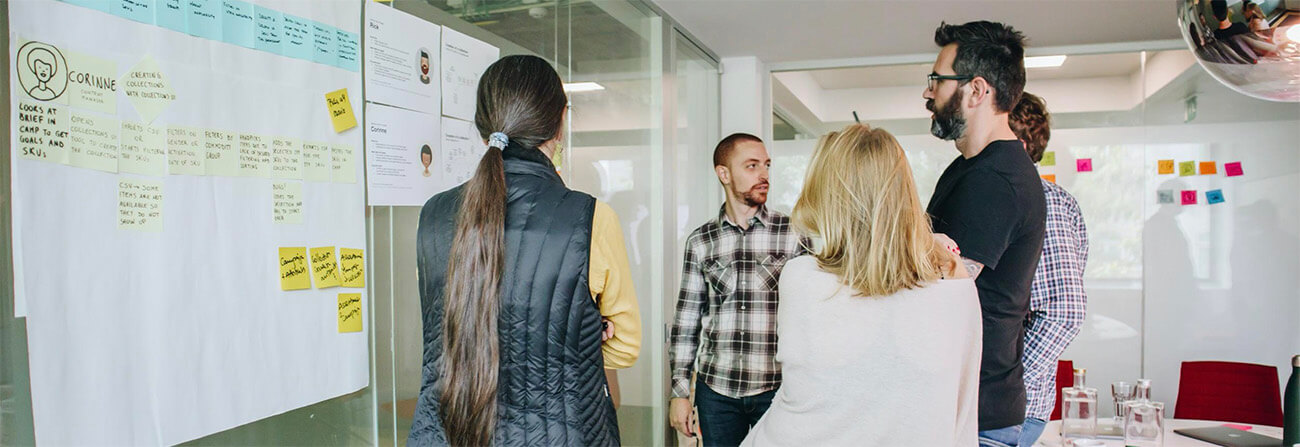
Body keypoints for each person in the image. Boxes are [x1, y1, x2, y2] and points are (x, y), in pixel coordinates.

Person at [408, 55, 641, 446]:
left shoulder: (433, 214)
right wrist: (584, 332)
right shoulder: (591, 217)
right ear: (561, 122)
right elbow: (625, 347)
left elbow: (446, 328)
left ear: (483, 125)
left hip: (444, 434)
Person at [740, 124, 982, 446]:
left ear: (825, 194)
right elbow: (962, 416)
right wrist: (933, 248)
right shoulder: (956, 288)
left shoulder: (801, 277)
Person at [922, 20, 1047, 447]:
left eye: (936, 80)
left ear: (976, 90)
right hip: (963, 405)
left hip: (978, 414)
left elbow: (941, 284)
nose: (928, 93)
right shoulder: (970, 168)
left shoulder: (996, 179)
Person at [668, 132, 809, 446]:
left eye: (767, 166)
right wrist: (678, 393)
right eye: (752, 165)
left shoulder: (794, 234)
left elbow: (814, 316)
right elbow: (687, 320)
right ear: (724, 174)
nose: (764, 175)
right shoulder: (701, 241)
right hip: (717, 391)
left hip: (777, 388)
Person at [1008, 93, 1090, 447]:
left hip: (1014, 411)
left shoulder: (1045, 203)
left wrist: (1003, 382)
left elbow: (1063, 313)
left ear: (1020, 145)